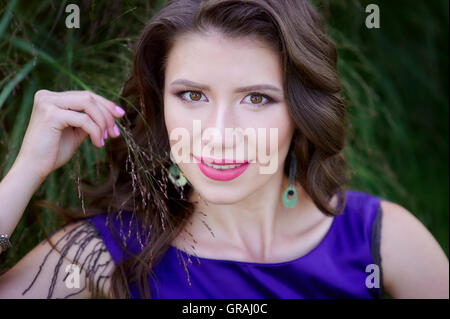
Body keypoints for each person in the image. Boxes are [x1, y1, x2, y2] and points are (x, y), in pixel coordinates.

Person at [0, 0, 448, 299]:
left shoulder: (379, 240)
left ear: (301, 109)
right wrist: (26, 171)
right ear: (160, 105)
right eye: (192, 96)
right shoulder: (110, 250)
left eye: (257, 98)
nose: (219, 133)